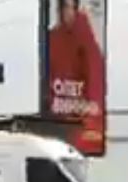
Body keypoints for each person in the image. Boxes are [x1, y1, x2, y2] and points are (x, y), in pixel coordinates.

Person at [48, 0, 105, 154]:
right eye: (65, 7)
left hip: (78, 120)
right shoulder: (52, 39)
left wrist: (92, 102)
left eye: (71, 8)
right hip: (58, 116)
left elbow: (95, 68)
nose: (68, 13)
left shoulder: (84, 34)